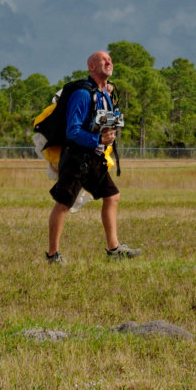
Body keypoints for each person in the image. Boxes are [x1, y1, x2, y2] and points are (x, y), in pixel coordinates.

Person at [44, 50, 138, 262]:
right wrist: (98, 139)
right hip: (76, 159)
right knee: (63, 204)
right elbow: (72, 131)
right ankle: (52, 255)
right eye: (103, 60)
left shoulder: (105, 94)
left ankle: (114, 250)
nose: (109, 62)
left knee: (112, 196)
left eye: (110, 59)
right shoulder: (83, 94)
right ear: (92, 67)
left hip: (94, 158)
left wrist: (108, 134)